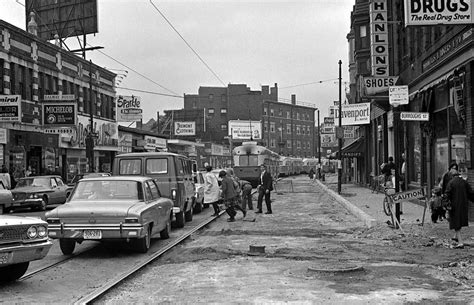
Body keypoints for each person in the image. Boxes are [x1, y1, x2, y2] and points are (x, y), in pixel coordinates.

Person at [444, 167, 474, 249]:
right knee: (458, 222)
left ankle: (460, 243)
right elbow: (471, 193)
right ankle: (456, 237)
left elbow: (447, 195)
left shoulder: (451, 183)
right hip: (463, 205)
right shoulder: (464, 182)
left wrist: (446, 205)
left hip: (454, 206)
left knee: (456, 224)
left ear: (451, 176)